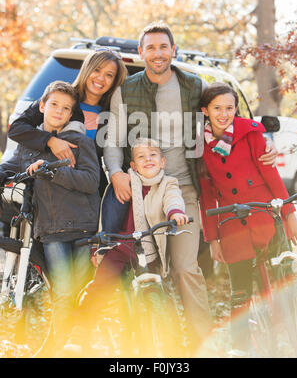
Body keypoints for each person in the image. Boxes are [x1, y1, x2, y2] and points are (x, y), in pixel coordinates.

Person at [102, 21, 277, 349]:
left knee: (185, 267)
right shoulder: (126, 91)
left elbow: (225, 117)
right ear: (141, 52)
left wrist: (262, 139)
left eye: (163, 46)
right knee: (148, 270)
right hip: (143, 190)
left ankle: (205, 344)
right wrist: (115, 172)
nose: (157, 53)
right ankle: (154, 343)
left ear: (173, 50)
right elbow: (112, 139)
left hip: (184, 190)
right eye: (150, 47)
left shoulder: (193, 85)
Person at [198, 82, 297, 354]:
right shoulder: (200, 146)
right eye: (217, 108)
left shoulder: (252, 133)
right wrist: (213, 239)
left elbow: (271, 176)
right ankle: (241, 349)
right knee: (239, 293)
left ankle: (290, 340)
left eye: (229, 108)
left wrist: (289, 214)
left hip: (265, 215)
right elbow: (207, 196)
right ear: (205, 110)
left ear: (236, 109)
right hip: (231, 223)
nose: (223, 114)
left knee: (280, 284)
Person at [64, 137, 189, 355]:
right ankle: (79, 332)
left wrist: (176, 213)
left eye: (153, 155)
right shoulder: (126, 182)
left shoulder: (168, 183)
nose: (147, 159)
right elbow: (108, 216)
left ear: (163, 161)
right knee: (100, 287)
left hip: (149, 247)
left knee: (159, 293)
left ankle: (169, 337)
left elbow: (173, 199)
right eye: (141, 156)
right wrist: (98, 247)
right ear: (133, 165)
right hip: (119, 245)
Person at [0, 81, 101, 350]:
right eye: (54, 104)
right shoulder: (27, 144)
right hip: (51, 230)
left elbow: (91, 181)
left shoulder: (79, 142)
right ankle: (58, 347)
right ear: (42, 106)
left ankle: (82, 345)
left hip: (83, 228)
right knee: (63, 291)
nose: (58, 111)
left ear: (71, 115)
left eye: (66, 108)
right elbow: (10, 167)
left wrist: (53, 171)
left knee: (82, 292)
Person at [8, 49, 128, 197]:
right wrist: (51, 141)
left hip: (86, 193)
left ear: (114, 81)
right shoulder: (60, 98)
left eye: (109, 75)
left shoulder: (112, 114)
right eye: (96, 70)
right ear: (87, 69)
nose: (101, 78)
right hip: (47, 192)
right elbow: (17, 128)